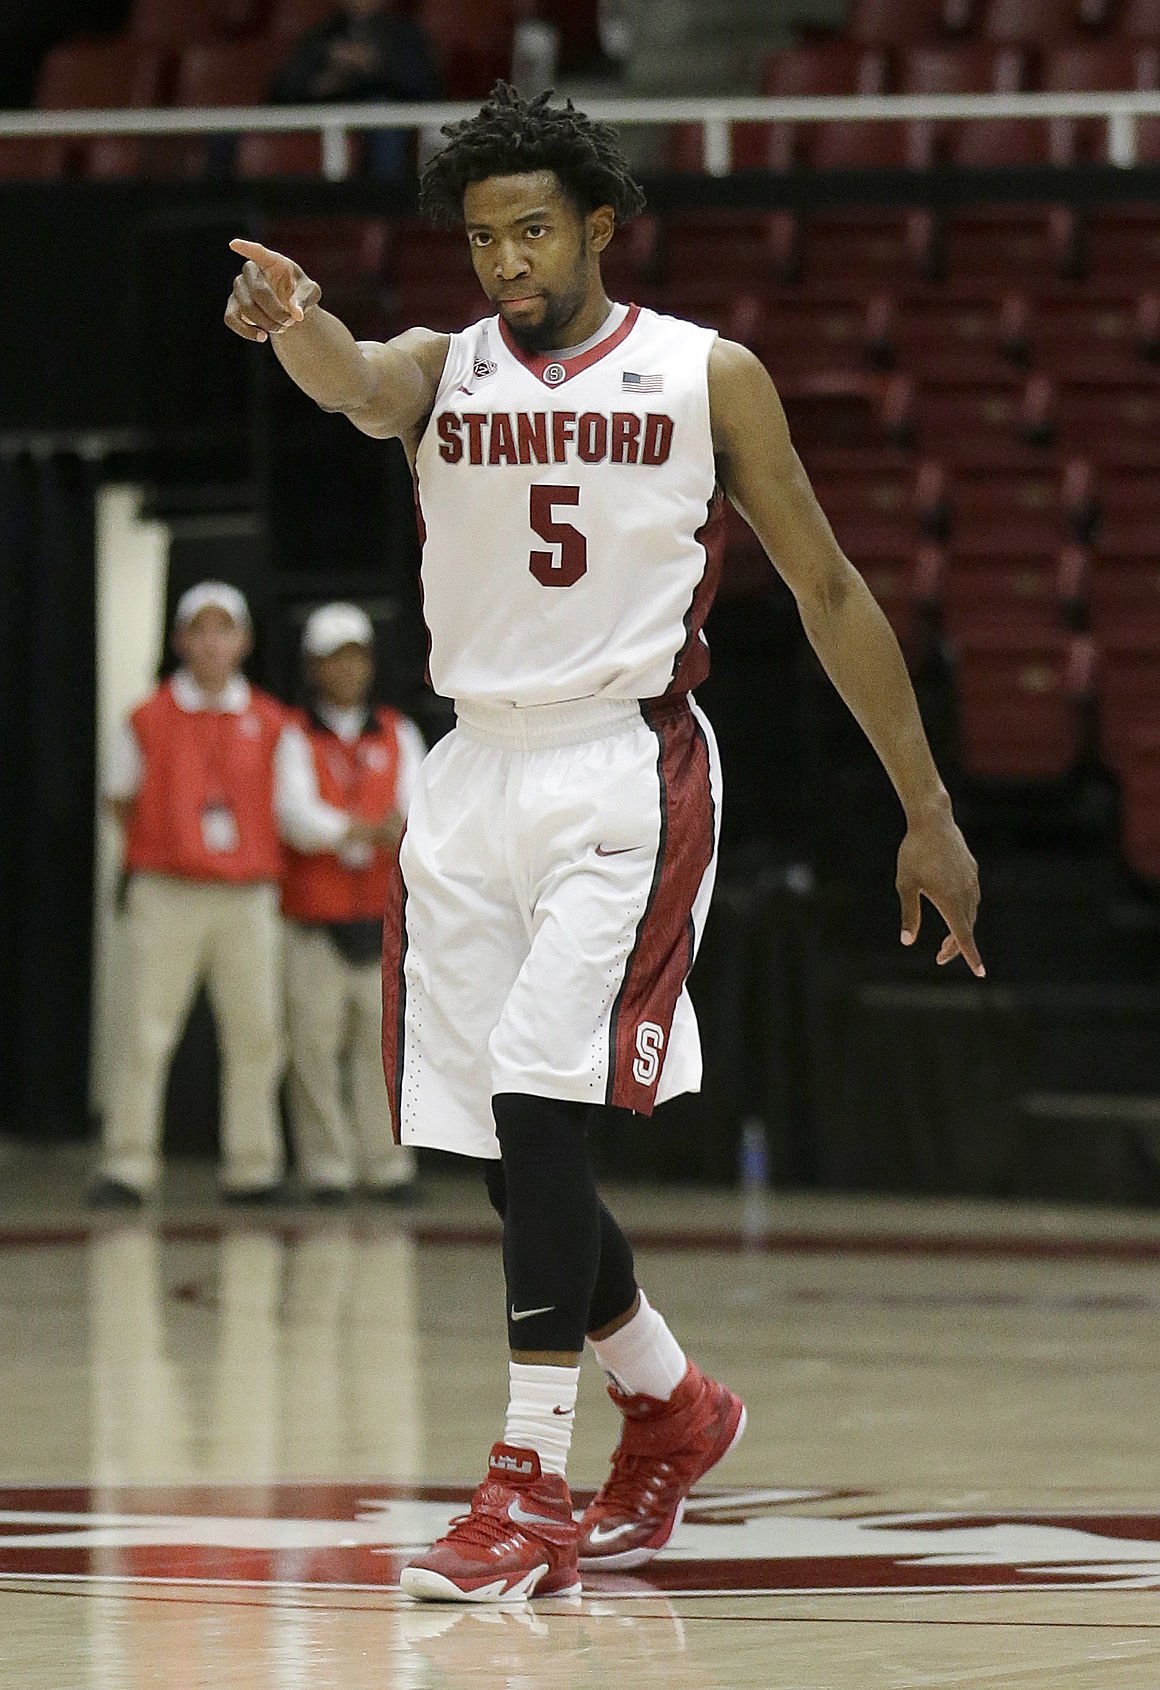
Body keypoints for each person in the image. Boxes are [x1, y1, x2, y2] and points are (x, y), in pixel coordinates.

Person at [224, 82, 983, 1602]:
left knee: (537, 1099)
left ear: (598, 226)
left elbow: (829, 591)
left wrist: (929, 809)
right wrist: (296, 321)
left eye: (531, 230)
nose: (505, 259)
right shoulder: (448, 367)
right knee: (510, 1152)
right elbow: (363, 383)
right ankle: (676, 1404)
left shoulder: (709, 376)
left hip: (622, 765)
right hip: (473, 768)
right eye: (484, 236)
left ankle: (527, 1485)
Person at [92, 583, 288, 1208]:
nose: (211, 643)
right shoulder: (146, 717)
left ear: (244, 641)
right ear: (179, 641)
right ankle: (128, 1163)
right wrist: (171, 845)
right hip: (168, 891)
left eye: (223, 630)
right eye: (198, 630)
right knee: (145, 1030)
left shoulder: (271, 720)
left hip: (246, 895)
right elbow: (119, 797)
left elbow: (287, 808)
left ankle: (253, 1166)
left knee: (257, 1033)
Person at [277, 601, 426, 1204]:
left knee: (382, 1049)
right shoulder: (292, 734)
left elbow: (420, 809)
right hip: (314, 916)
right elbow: (292, 814)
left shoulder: (398, 731)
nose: (347, 670)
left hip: (382, 915)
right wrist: (356, 831)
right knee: (312, 1049)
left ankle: (388, 1167)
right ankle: (326, 1169)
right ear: (313, 666)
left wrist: (378, 828)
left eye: (357, 657)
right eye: (334, 659)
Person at [270, 0, 441, 181]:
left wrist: (373, 65)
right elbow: (283, 91)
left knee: (382, 116)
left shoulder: (403, 34)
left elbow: (425, 87)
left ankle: (385, 200)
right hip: (328, 113)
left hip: (385, 117)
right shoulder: (321, 35)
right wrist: (323, 82)